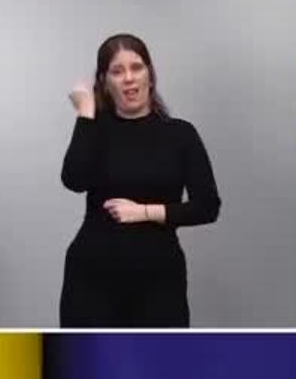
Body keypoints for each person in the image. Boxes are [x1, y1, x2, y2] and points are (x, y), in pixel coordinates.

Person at [57, 33, 221, 328]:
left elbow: (208, 207)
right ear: (105, 82)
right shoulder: (95, 129)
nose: (129, 78)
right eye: (117, 72)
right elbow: (74, 180)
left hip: (158, 282)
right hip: (91, 281)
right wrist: (85, 113)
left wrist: (143, 212)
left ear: (150, 75)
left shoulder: (180, 134)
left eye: (136, 68)